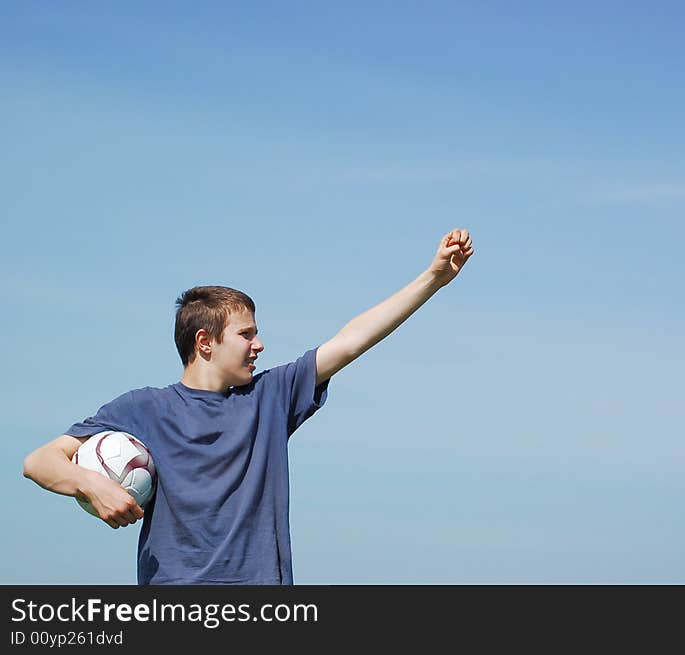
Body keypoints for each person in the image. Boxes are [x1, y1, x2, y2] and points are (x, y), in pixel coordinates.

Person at [23, 228, 475, 584]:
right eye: (246, 334)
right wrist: (91, 485)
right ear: (205, 342)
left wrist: (433, 277)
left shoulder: (271, 397)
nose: (259, 344)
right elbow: (39, 461)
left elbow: (352, 340)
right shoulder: (143, 409)